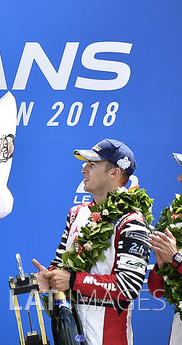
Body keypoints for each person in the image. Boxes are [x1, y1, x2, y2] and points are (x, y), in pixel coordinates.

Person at [32, 138, 151, 345]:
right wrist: (50, 279)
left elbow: (128, 287)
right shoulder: (76, 213)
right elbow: (60, 263)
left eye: (92, 164)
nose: (83, 170)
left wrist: (72, 281)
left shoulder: (132, 222)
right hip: (71, 335)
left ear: (114, 173)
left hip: (110, 339)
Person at [147, 152, 182, 343]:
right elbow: (157, 291)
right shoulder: (177, 220)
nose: (179, 178)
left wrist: (176, 258)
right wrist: (161, 265)